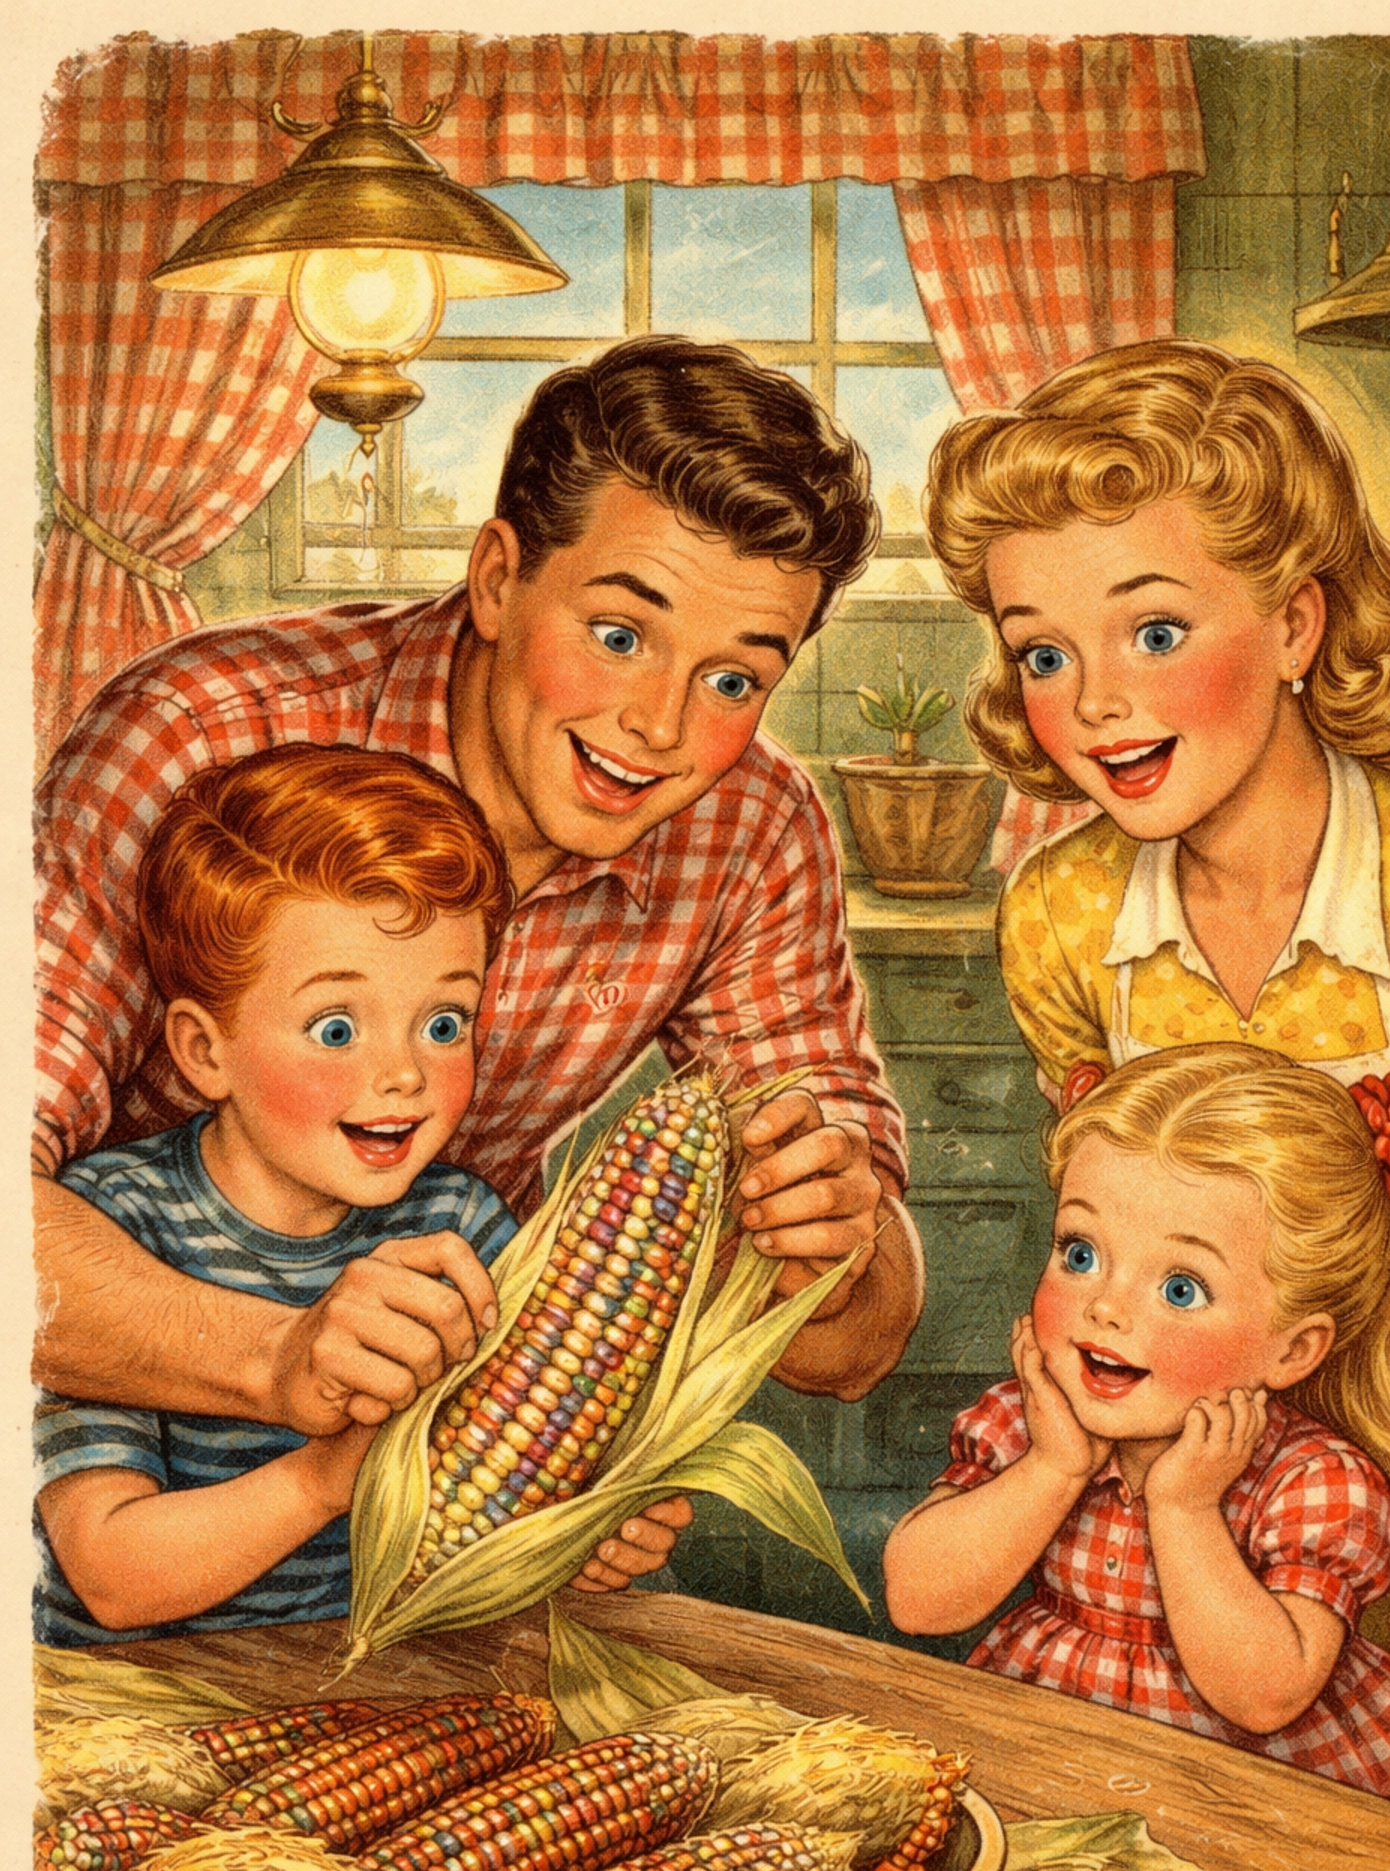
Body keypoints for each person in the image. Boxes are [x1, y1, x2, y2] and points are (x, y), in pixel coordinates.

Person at [35, 337, 924, 1475]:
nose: (659, 723)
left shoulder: (751, 828)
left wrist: (835, 1240)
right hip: (104, 1418)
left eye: (734, 678)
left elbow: (848, 1350)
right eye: (618, 635)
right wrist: (285, 1363)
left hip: (430, 1445)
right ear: (499, 578)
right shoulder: (201, 733)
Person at [924, 338, 1390, 1742]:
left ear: (1298, 626)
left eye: (1157, 632)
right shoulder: (1061, 913)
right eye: (1044, 653)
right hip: (1201, 1505)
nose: (1097, 702)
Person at [35, 747, 689, 1645]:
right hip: (146, 1700)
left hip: (386, 1684)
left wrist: (587, 1532)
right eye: (336, 1028)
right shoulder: (113, 1228)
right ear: (202, 1052)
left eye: (444, 1023)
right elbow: (109, 1575)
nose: (403, 1076)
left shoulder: (460, 1226)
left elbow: (503, 1505)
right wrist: (323, 1479)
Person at [883, 1047, 1390, 1835]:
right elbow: (917, 1600)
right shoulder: (1030, 1420)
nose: (1104, 1308)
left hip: (1252, 1798)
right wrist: (1053, 1467)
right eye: (1080, 1253)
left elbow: (1266, 1695)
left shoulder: (1312, 1480)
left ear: (1292, 1351)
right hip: (1051, 1752)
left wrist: (1184, 1508)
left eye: (1182, 1289)